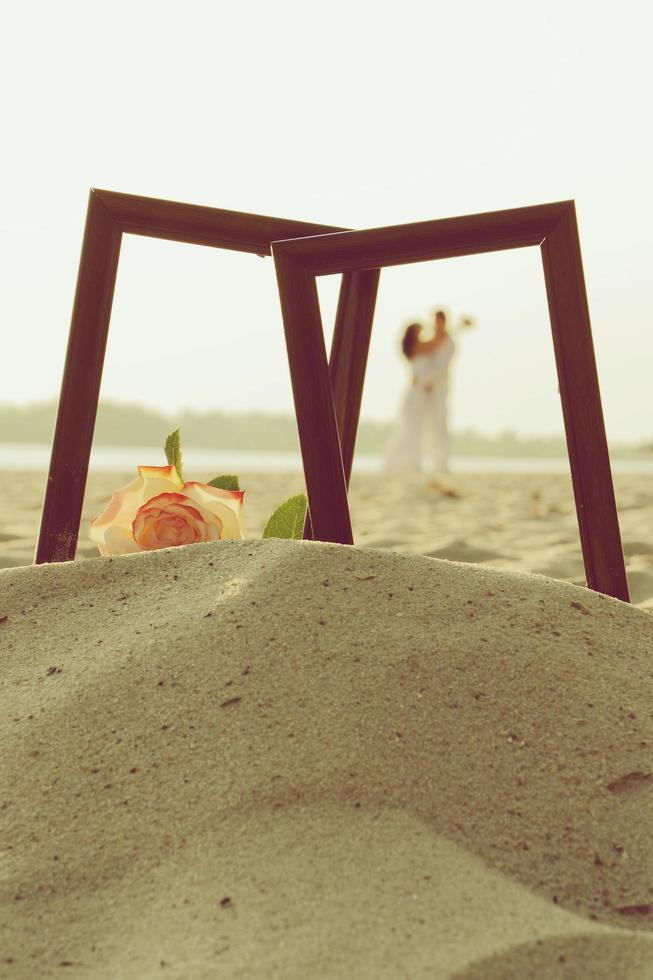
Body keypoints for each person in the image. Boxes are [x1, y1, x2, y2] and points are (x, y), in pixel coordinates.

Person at [383, 309, 464, 473]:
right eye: (420, 330)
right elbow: (436, 343)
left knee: (421, 427)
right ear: (414, 334)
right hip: (418, 391)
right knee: (414, 427)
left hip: (424, 391)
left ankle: (418, 461)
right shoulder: (419, 346)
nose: (425, 331)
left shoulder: (423, 345)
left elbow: (438, 346)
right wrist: (459, 327)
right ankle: (410, 462)